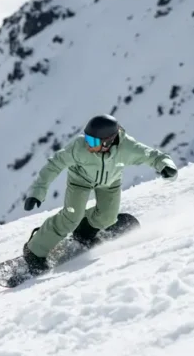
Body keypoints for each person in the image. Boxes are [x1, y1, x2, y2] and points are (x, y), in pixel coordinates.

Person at [21, 114, 178, 274]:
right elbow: (54, 165)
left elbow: (153, 155)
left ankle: (83, 233)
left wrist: (165, 166)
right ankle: (34, 252)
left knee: (108, 217)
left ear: (108, 141)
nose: (88, 144)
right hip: (80, 181)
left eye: (93, 142)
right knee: (71, 217)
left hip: (110, 183)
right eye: (87, 138)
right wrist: (37, 192)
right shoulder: (79, 147)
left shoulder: (127, 147)